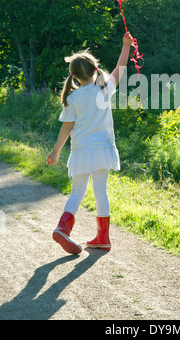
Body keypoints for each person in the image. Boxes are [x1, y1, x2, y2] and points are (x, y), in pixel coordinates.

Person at [47, 32, 134, 254]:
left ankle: (63, 227)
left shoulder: (72, 98)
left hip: (81, 152)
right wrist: (126, 46)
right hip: (103, 150)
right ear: (95, 70)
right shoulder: (104, 89)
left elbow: (67, 128)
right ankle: (103, 237)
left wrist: (56, 152)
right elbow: (120, 68)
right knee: (100, 191)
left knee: (77, 191)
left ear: (74, 78)